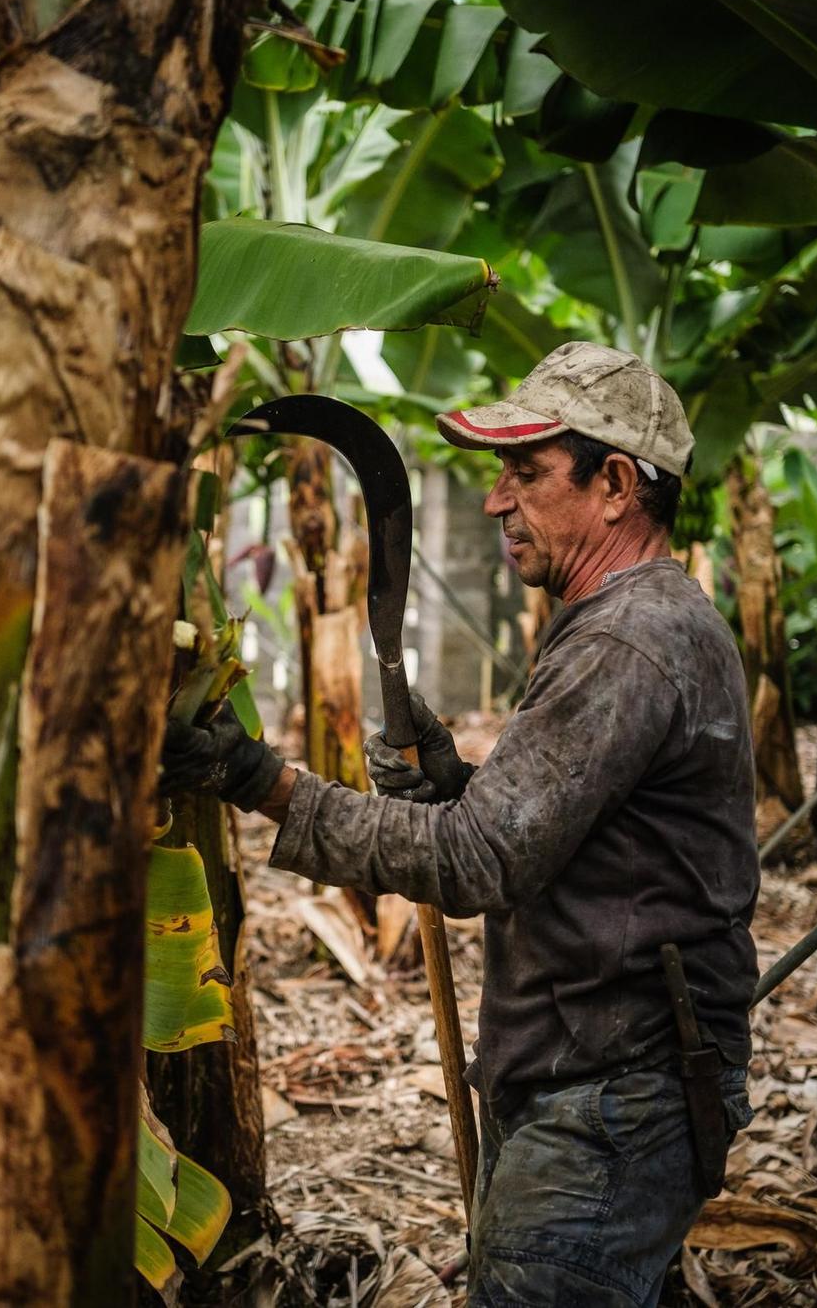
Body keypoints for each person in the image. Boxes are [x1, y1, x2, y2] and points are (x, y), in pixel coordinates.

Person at [162, 342, 759, 1308]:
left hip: (606, 1108)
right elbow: (588, 842)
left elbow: (481, 858)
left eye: (525, 474)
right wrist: (461, 783)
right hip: (610, 1084)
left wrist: (261, 780)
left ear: (615, 484)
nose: (496, 501)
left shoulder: (625, 638)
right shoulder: (644, 618)